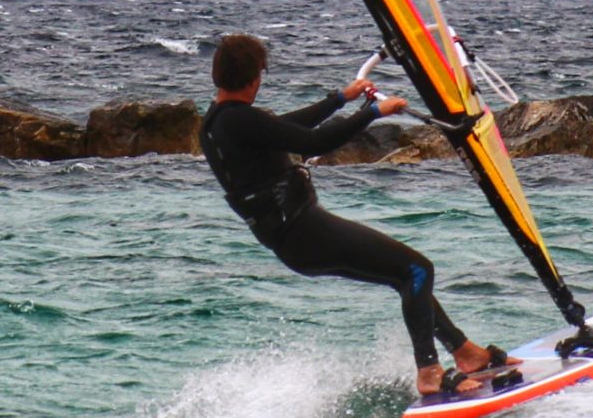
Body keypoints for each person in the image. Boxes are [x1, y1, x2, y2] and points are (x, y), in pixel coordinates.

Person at [198, 32, 518, 397]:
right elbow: (314, 142)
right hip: (306, 232)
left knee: (405, 278)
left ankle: (466, 353)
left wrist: (339, 100)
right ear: (256, 77)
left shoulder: (217, 122)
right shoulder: (241, 121)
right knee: (417, 270)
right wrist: (371, 113)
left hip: (293, 242)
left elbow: (285, 126)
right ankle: (429, 370)